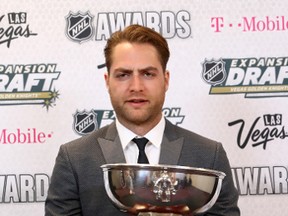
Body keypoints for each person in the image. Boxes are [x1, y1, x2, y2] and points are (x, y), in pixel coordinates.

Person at [45, 24, 240, 215]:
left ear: (166, 80)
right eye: (123, 75)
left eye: (148, 74)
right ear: (107, 81)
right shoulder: (74, 159)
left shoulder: (209, 156)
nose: (136, 86)